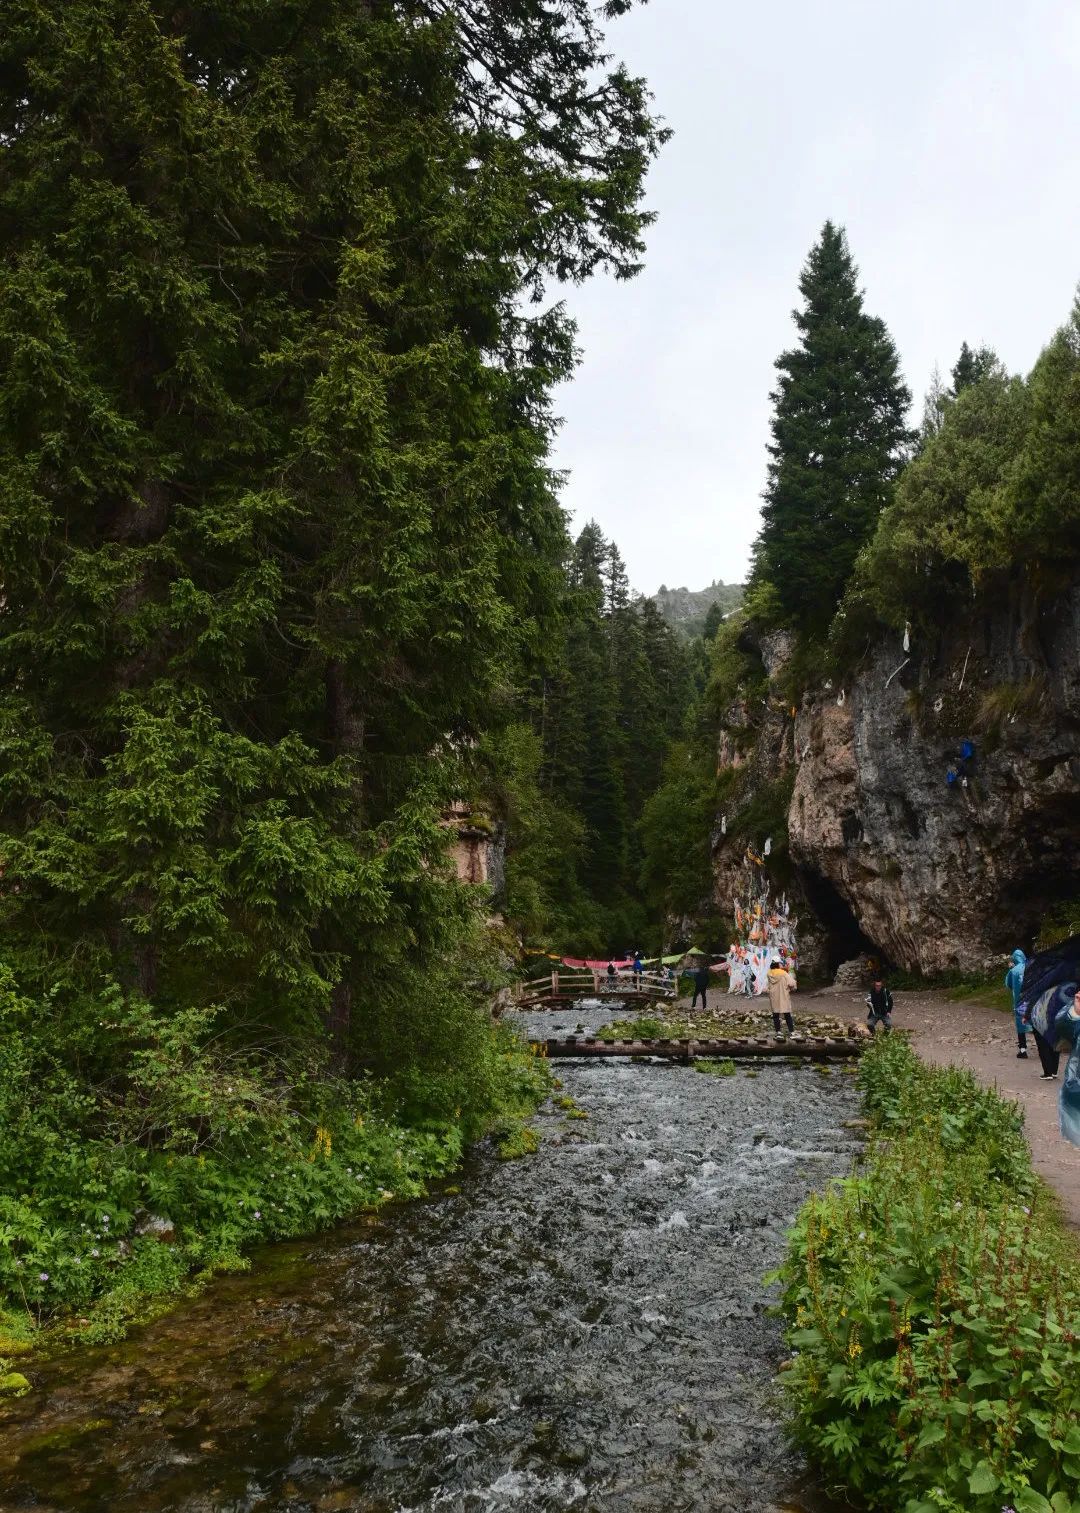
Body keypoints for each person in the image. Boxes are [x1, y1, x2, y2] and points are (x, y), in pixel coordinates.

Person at [1005, 948, 1028, 1059]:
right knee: (1037, 1023)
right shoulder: (1031, 966)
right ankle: (1044, 1049)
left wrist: (1011, 970)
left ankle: (1023, 1050)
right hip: (1032, 999)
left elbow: (1008, 984)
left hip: (1019, 1001)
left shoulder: (1013, 971)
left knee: (1020, 1024)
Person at [767, 956, 797, 1037]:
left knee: (775, 1015)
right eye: (780, 963)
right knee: (787, 1014)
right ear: (778, 964)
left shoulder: (769, 973)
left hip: (774, 996)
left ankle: (778, 1032)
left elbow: (768, 986)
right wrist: (793, 986)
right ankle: (791, 1032)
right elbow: (791, 983)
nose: (781, 964)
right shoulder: (784, 973)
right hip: (783, 995)